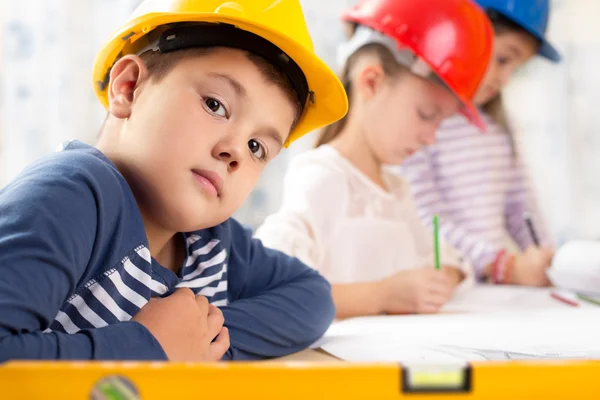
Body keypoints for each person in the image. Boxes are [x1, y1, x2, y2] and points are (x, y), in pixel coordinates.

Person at [0, 0, 348, 362]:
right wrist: (151, 348)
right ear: (129, 88)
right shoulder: (70, 199)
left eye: (257, 147)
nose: (235, 153)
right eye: (215, 105)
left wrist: (203, 342)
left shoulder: (211, 243)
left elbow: (312, 297)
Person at [255, 0, 493, 318]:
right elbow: (271, 290)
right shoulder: (321, 176)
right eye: (426, 115)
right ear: (371, 82)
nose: (431, 138)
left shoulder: (397, 189)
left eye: (441, 122)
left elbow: (448, 260)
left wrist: (443, 278)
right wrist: (381, 296)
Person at [399, 0, 559, 286]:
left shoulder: (498, 126)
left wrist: (547, 258)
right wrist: (499, 264)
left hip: (490, 292)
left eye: (516, 68)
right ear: (462, 33)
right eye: (503, 59)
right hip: (446, 288)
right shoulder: (421, 121)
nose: (505, 79)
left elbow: (521, 205)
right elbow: (426, 218)